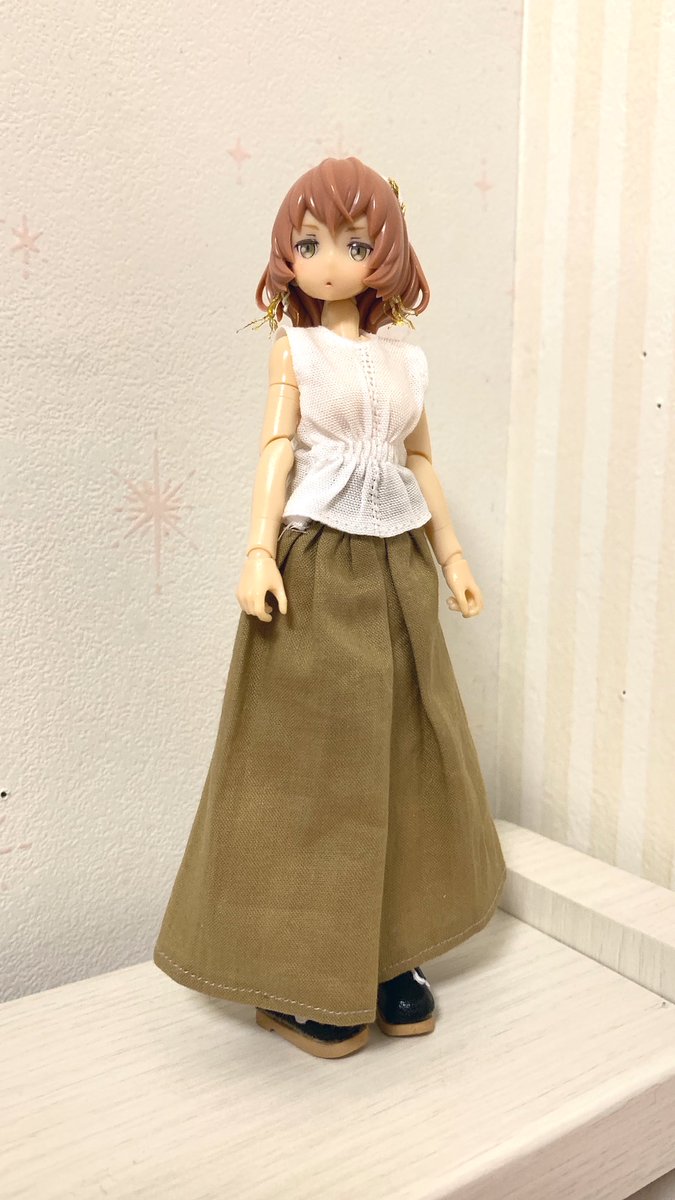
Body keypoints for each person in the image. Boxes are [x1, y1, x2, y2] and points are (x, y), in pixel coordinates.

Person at [153, 156, 507, 1060]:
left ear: (385, 253)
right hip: (314, 568)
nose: (327, 262)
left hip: (400, 569)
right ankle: (306, 974)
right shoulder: (296, 351)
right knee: (308, 768)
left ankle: (389, 956)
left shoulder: (405, 361)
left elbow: (419, 462)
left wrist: (452, 556)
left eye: (352, 243)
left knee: (404, 754)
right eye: (308, 244)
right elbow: (276, 451)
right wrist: (256, 551)